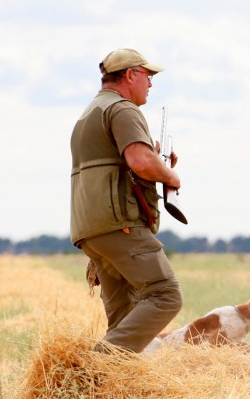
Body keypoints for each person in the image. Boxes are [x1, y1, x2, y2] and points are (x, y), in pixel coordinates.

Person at [69, 48, 183, 353]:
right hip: (119, 224)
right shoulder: (123, 110)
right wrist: (170, 176)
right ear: (130, 75)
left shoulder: (89, 113)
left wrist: (150, 156)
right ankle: (91, 368)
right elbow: (140, 161)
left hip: (92, 230)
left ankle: (105, 388)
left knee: (125, 316)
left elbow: (125, 162)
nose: (151, 84)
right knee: (165, 295)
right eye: (148, 76)